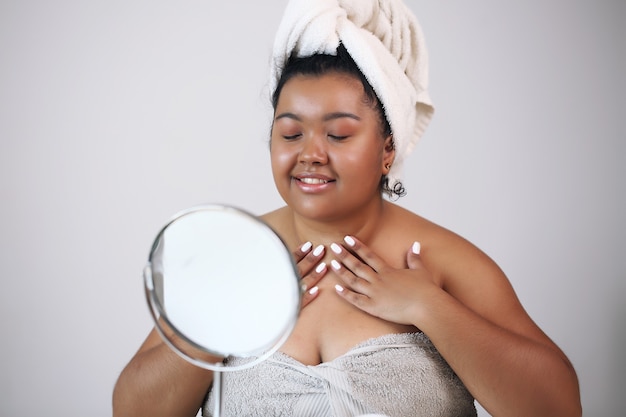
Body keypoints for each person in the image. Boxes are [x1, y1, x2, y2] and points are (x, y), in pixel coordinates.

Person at [113, 0, 581, 416]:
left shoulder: (444, 264)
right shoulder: (234, 257)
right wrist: (226, 315)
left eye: (338, 134)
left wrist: (428, 306)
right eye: (291, 133)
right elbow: (133, 410)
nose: (310, 153)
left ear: (387, 150)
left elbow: (559, 407)